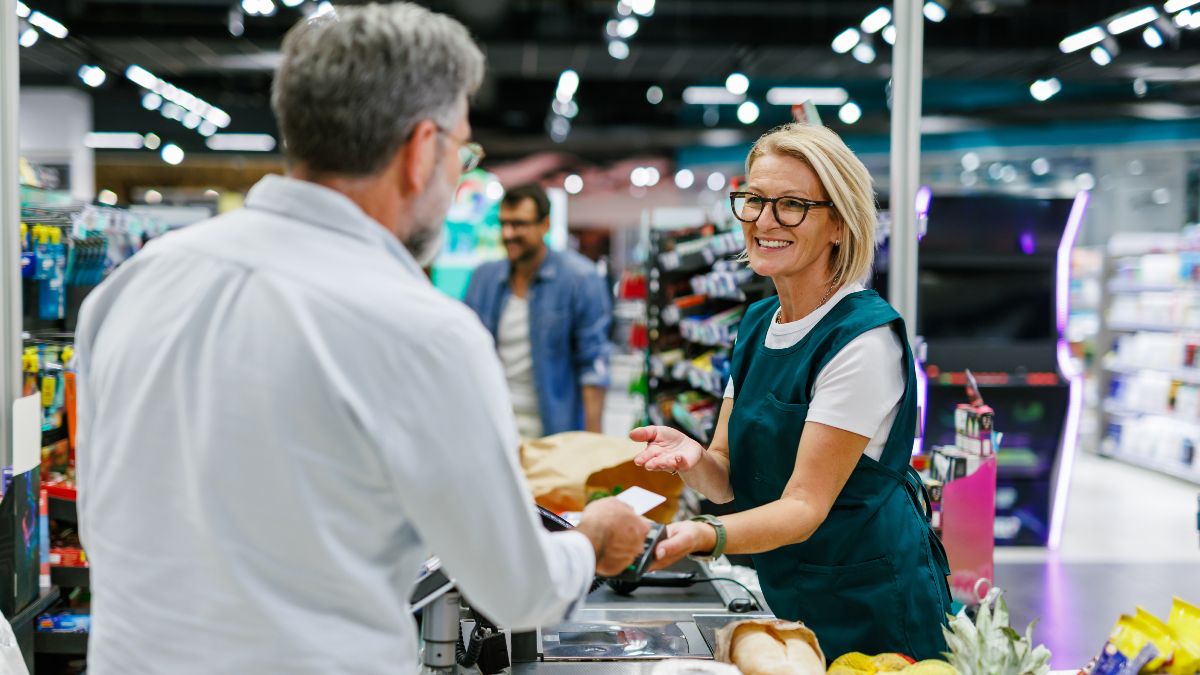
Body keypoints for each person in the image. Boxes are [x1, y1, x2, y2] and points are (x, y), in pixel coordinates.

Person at [73, 5, 649, 673]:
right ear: (419, 150)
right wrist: (592, 539)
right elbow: (518, 589)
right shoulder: (420, 330)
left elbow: (106, 512)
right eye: (462, 149)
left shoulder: (135, 283)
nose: (459, 175)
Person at [632, 123, 952, 661]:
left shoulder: (863, 339)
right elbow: (728, 477)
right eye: (754, 200)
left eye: (791, 205)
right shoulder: (759, 322)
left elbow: (803, 505)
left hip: (871, 604)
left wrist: (701, 535)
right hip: (792, 591)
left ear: (838, 224)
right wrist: (692, 457)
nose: (764, 220)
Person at [464, 183, 612, 438]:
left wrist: (593, 444)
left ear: (545, 225)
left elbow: (593, 367)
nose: (508, 233)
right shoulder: (483, 279)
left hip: (552, 432)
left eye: (519, 224)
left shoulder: (580, 278)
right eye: (504, 223)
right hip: (491, 426)